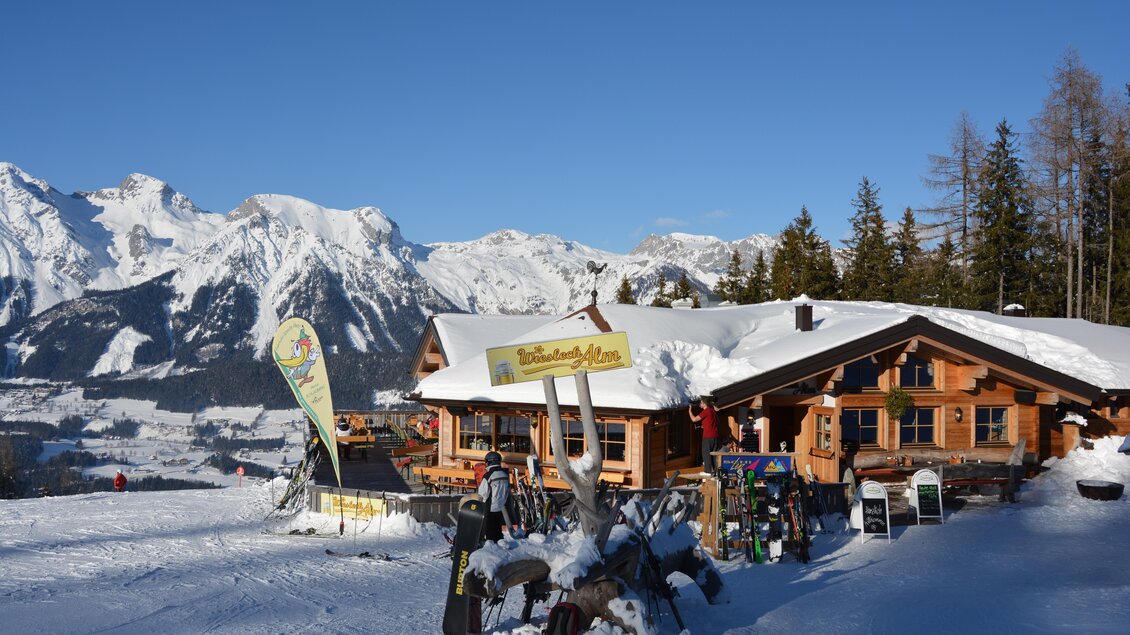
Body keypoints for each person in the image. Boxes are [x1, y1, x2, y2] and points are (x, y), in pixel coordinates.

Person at [476, 451, 511, 541]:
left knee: (489, 532)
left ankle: (491, 551)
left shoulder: (488, 476)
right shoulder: (505, 475)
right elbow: (507, 491)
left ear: (490, 462)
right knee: (498, 531)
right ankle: (499, 548)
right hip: (501, 507)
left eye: (486, 461)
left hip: (489, 508)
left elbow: (482, 493)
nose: (485, 464)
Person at [688, 396, 720, 473]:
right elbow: (715, 422)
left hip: (708, 436)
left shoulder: (706, 411)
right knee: (713, 454)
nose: (700, 404)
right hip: (715, 436)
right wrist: (704, 426)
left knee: (706, 454)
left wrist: (690, 410)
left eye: (701, 402)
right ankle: (715, 472)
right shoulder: (712, 411)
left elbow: (694, 419)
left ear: (704, 403)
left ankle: (708, 472)